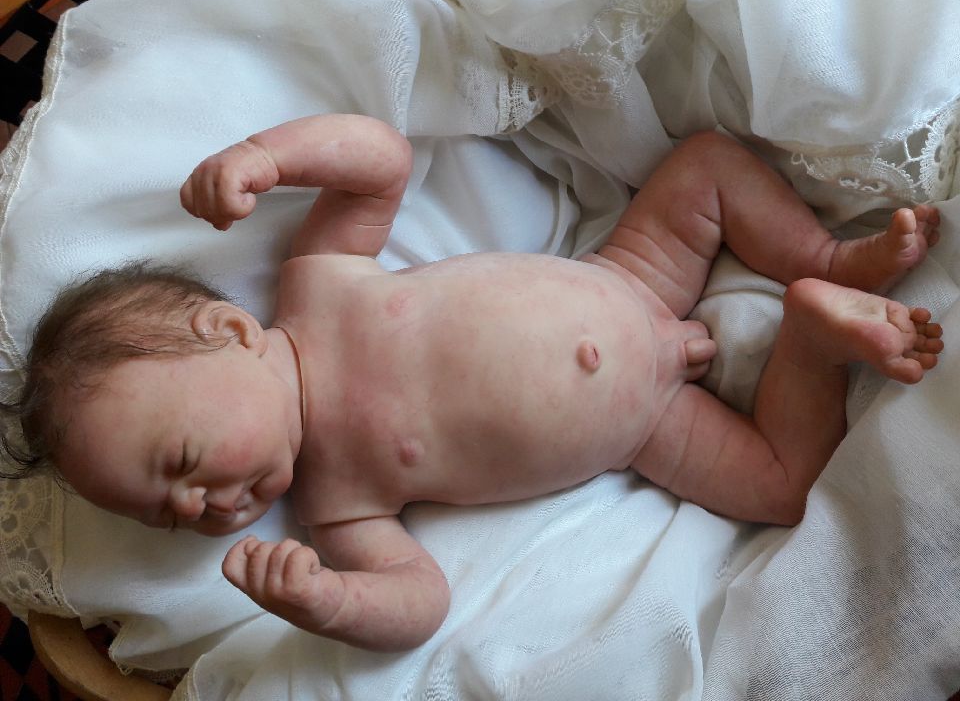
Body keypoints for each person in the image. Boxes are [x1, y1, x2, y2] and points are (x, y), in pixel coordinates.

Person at [0, 114, 943, 652]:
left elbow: (381, 162)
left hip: (634, 274)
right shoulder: (337, 505)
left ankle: (826, 258)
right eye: (168, 517)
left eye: (179, 461)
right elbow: (420, 605)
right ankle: (812, 337)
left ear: (230, 333)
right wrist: (328, 605)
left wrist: (267, 157)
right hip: (651, 427)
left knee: (705, 164)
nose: (196, 505)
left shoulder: (316, 282)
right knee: (780, 489)